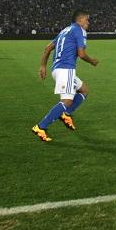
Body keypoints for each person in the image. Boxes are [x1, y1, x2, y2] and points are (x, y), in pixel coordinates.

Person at [31, 10, 99, 142]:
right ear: (80, 20)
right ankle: (40, 127)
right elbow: (81, 53)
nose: (88, 23)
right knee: (67, 101)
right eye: (87, 20)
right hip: (65, 70)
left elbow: (47, 48)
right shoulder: (79, 30)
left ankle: (65, 114)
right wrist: (92, 61)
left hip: (58, 69)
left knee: (84, 90)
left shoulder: (65, 30)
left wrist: (43, 66)